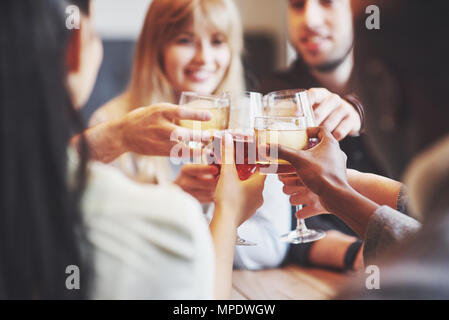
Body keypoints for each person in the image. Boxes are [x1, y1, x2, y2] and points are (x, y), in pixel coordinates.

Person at [0, 0, 265, 299]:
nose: (204, 57)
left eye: (218, 41)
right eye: (185, 40)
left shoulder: (248, 122)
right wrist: (224, 212)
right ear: (74, 47)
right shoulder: (161, 217)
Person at [254, 0, 383, 271]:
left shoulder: (402, 82)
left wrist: (360, 110)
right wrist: (356, 255)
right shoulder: (274, 95)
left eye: (327, 2)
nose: (310, 19)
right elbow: (287, 222)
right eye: (297, 5)